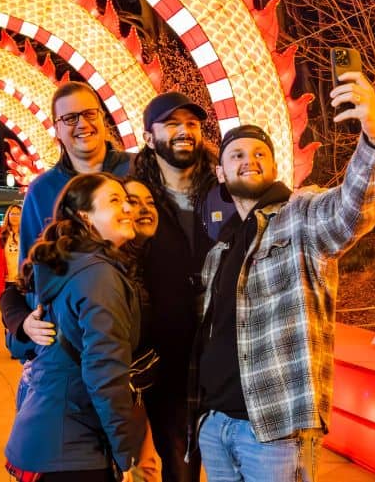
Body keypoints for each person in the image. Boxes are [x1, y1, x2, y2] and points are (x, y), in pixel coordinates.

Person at [190, 73, 375, 481]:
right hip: (215, 425)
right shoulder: (220, 249)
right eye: (237, 154)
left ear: (274, 165)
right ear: (220, 173)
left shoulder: (299, 216)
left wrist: (374, 135)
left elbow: (353, 208)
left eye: (260, 153)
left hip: (274, 428)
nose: (249, 159)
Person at [4, 173, 151, 482]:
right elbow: (105, 372)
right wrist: (126, 453)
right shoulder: (99, 275)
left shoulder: (67, 265)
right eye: (114, 200)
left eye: (127, 200)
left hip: (42, 439)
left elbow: (24, 342)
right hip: (71, 449)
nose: (128, 208)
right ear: (85, 216)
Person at [133, 91, 234, 482]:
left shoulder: (226, 192)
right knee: (178, 458)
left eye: (191, 124)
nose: (184, 131)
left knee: (230, 451)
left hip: (224, 346)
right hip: (166, 351)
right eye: (172, 124)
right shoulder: (134, 197)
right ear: (149, 137)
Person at [0, 81, 132, 364]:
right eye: (70, 118)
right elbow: (32, 272)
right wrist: (26, 327)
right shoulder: (42, 190)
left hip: (140, 325)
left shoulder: (138, 170)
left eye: (89, 114)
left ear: (102, 118)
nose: (82, 124)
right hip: (72, 337)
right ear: (57, 129)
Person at [0, 203, 22, 304]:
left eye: (18, 214)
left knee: (22, 309)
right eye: (12, 214)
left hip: (22, 279)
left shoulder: (26, 232)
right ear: (8, 216)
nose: (15, 217)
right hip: (5, 279)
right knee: (7, 308)